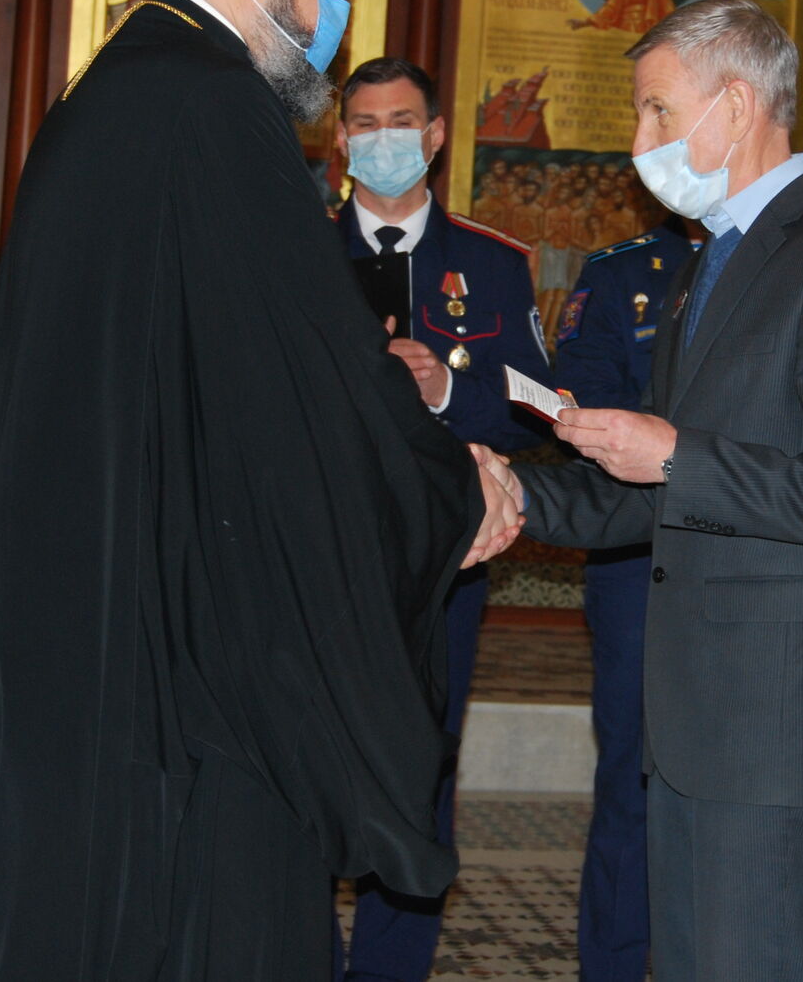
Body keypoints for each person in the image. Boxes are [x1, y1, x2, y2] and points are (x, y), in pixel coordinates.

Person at [0, 0, 524, 982]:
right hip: (175, 632)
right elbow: (307, 368)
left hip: (94, 583)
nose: (331, 12)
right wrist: (448, 479)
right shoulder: (215, 102)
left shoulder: (123, 82)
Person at [487, 0, 803, 981]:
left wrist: (678, 454)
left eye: (657, 109)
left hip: (771, 722)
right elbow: (657, 492)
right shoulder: (705, 264)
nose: (639, 139)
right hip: (690, 714)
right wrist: (509, 490)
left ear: (735, 103)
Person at [332, 55, 552, 982]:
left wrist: (442, 397)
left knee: (422, 765)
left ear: (433, 136)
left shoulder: (492, 263)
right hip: (321, 553)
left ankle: (391, 967)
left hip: (444, 562)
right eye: (364, 124)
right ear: (341, 140)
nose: (383, 139)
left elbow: (537, 409)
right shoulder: (296, 250)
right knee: (310, 756)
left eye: (401, 122)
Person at [552, 217, 697, 982]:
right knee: (631, 781)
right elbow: (579, 399)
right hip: (637, 560)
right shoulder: (622, 273)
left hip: (758, 554)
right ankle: (611, 963)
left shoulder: (792, 259)